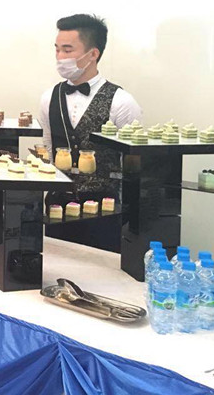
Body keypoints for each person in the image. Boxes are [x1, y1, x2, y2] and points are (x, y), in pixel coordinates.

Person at [38, 14, 141, 251]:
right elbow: (48, 150)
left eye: (67, 50)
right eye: (57, 50)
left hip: (104, 209)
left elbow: (134, 166)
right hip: (58, 204)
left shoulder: (122, 102)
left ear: (93, 54)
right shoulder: (48, 97)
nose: (60, 57)